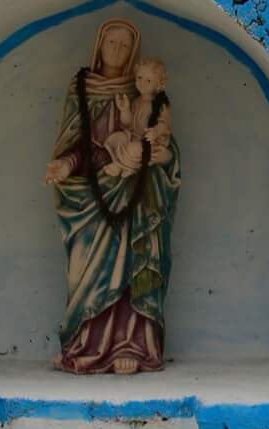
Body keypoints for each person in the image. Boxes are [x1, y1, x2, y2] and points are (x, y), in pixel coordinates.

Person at [42, 19, 180, 374]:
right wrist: (64, 165)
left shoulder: (144, 98)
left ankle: (132, 345)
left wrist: (158, 156)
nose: (116, 51)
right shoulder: (81, 91)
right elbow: (78, 145)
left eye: (124, 45)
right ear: (99, 44)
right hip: (92, 198)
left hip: (134, 195)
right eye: (111, 42)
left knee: (134, 262)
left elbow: (164, 144)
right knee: (84, 272)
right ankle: (81, 343)